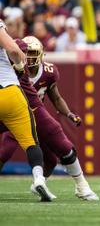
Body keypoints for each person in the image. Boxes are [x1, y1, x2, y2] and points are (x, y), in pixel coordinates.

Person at [0, 37, 98, 201]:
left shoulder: (48, 72)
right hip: (14, 102)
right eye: (25, 53)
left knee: (58, 146)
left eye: (31, 54)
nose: (28, 58)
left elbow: (57, 98)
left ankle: (79, 185)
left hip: (31, 106)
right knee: (5, 151)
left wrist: (68, 114)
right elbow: (13, 50)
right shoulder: (9, 60)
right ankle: (40, 180)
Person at [0, 20, 53, 202]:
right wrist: (21, 66)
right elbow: (13, 50)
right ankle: (39, 179)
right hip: (8, 90)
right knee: (31, 141)